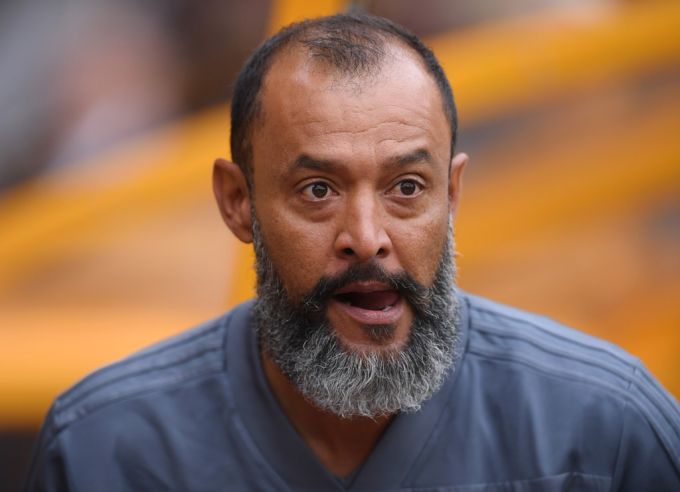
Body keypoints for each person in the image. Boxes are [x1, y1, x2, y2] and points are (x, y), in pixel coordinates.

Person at [25, 13, 680, 492]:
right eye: (318, 190)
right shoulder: (106, 449)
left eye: (407, 188)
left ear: (452, 196)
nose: (366, 237)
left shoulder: (605, 429)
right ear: (237, 202)